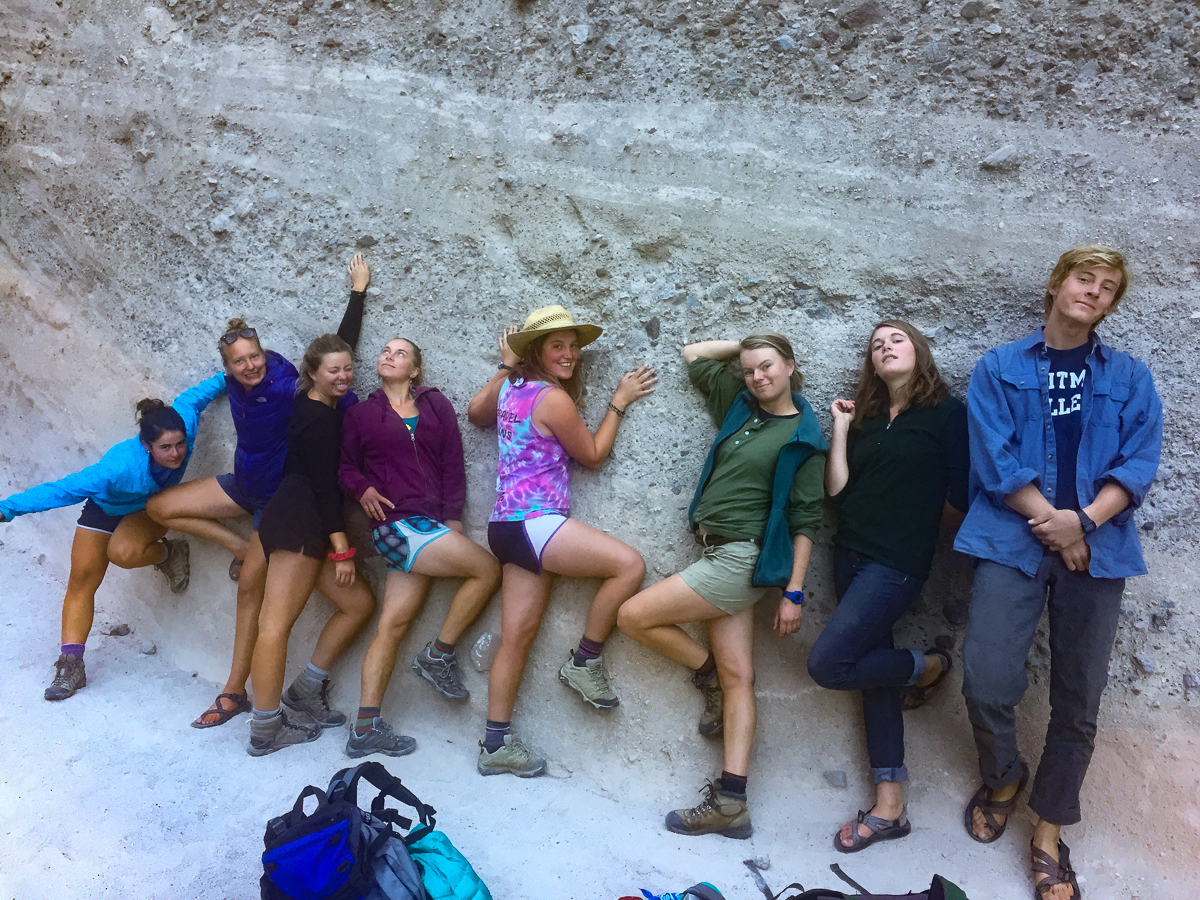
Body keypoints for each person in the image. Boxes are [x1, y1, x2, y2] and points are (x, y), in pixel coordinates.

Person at [954, 246, 1162, 900]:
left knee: (1079, 697)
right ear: (1056, 284)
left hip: (1097, 548)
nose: (1093, 292)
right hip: (1012, 537)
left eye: (1107, 288)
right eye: (1084, 279)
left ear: (1111, 304)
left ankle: (1048, 829)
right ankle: (1004, 774)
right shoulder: (999, 367)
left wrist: (1086, 524)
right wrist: (1055, 521)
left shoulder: (1131, 378)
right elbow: (995, 459)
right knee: (986, 680)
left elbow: (1137, 465)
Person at [617, 333, 826, 839]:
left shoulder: (804, 437)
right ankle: (732, 802)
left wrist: (794, 592)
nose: (758, 376)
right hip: (715, 551)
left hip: (741, 558)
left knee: (632, 616)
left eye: (769, 367)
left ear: (792, 366)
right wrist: (745, 347)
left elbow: (806, 520)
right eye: (751, 369)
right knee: (739, 678)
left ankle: (704, 673)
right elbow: (693, 355)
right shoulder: (741, 406)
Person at [147, 255, 368, 729]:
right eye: (239, 360)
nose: (249, 366)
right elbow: (195, 398)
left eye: (254, 357)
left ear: (266, 356)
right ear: (227, 365)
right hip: (242, 487)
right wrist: (170, 427)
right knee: (160, 507)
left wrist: (357, 294)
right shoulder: (230, 381)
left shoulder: (290, 386)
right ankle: (240, 545)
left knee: (252, 593)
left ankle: (234, 693)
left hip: (277, 504)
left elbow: (335, 359)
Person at [466, 306, 656, 777]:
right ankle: (584, 661)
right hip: (537, 524)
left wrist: (507, 361)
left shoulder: (512, 386)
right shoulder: (552, 399)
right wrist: (620, 401)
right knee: (628, 565)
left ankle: (495, 746)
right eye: (557, 345)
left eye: (573, 346)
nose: (570, 354)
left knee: (516, 639)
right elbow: (591, 455)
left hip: (505, 528)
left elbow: (475, 414)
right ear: (538, 351)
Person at [806, 320, 968, 853]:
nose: (885, 347)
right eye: (877, 345)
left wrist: (915, 528)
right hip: (848, 554)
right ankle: (890, 807)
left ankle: (931, 666)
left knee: (828, 664)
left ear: (918, 351)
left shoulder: (947, 414)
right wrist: (840, 429)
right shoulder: (868, 418)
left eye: (896, 340)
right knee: (872, 674)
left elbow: (962, 495)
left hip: (896, 563)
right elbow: (836, 490)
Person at [0, 377, 225, 700]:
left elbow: (196, 395)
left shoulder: (183, 422)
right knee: (82, 579)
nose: (176, 453)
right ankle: (71, 665)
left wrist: (235, 371)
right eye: (165, 448)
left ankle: (167, 554)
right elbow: (62, 490)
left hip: (151, 510)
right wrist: (6, 510)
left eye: (179, 445)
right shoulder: (118, 466)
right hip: (106, 509)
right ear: (146, 445)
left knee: (124, 553)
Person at [337, 334, 501, 758]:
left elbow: (452, 463)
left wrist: (452, 519)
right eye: (385, 351)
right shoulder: (360, 414)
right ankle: (438, 654)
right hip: (395, 526)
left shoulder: (435, 405)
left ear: (415, 370)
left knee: (391, 627)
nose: (389, 357)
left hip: (428, 526)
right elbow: (343, 467)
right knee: (487, 570)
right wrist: (362, 489)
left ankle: (364, 728)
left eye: (400, 353)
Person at [245, 326, 379, 756]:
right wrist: (342, 549)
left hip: (298, 519)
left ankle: (305, 688)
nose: (344, 376)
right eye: (334, 371)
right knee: (275, 626)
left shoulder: (314, 401)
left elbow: (336, 347)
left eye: (348, 368)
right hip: (302, 521)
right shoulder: (320, 421)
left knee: (358, 604)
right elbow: (325, 488)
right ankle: (265, 729)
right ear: (314, 373)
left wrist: (357, 296)